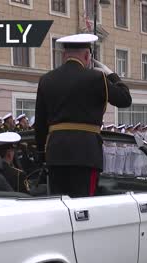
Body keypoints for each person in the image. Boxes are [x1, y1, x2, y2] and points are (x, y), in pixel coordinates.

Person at [34, 33, 132, 197]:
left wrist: (42, 154)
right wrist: (112, 75)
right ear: (87, 56)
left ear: (64, 55)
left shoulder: (46, 79)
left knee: (58, 203)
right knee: (83, 204)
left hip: (56, 153)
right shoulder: (96, 78)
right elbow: (125, 99)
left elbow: (40, 123)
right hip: (85, 153)